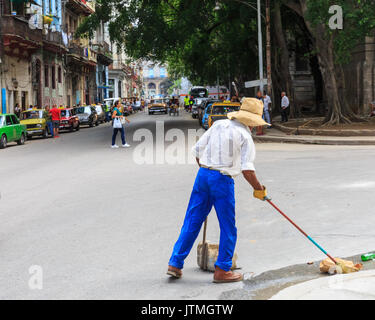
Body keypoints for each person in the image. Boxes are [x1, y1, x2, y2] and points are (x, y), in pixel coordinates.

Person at [167, 98, 270, 283]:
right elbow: (247, 170)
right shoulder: (245, 136)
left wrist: (207, 171)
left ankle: (175, 263)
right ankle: (222, 270)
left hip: (203, 175)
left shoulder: (218, 124)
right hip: (222, 181)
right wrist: (259, 189)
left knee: (192, 220)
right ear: (253, 122)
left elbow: (197, 152)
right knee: (228, 227)